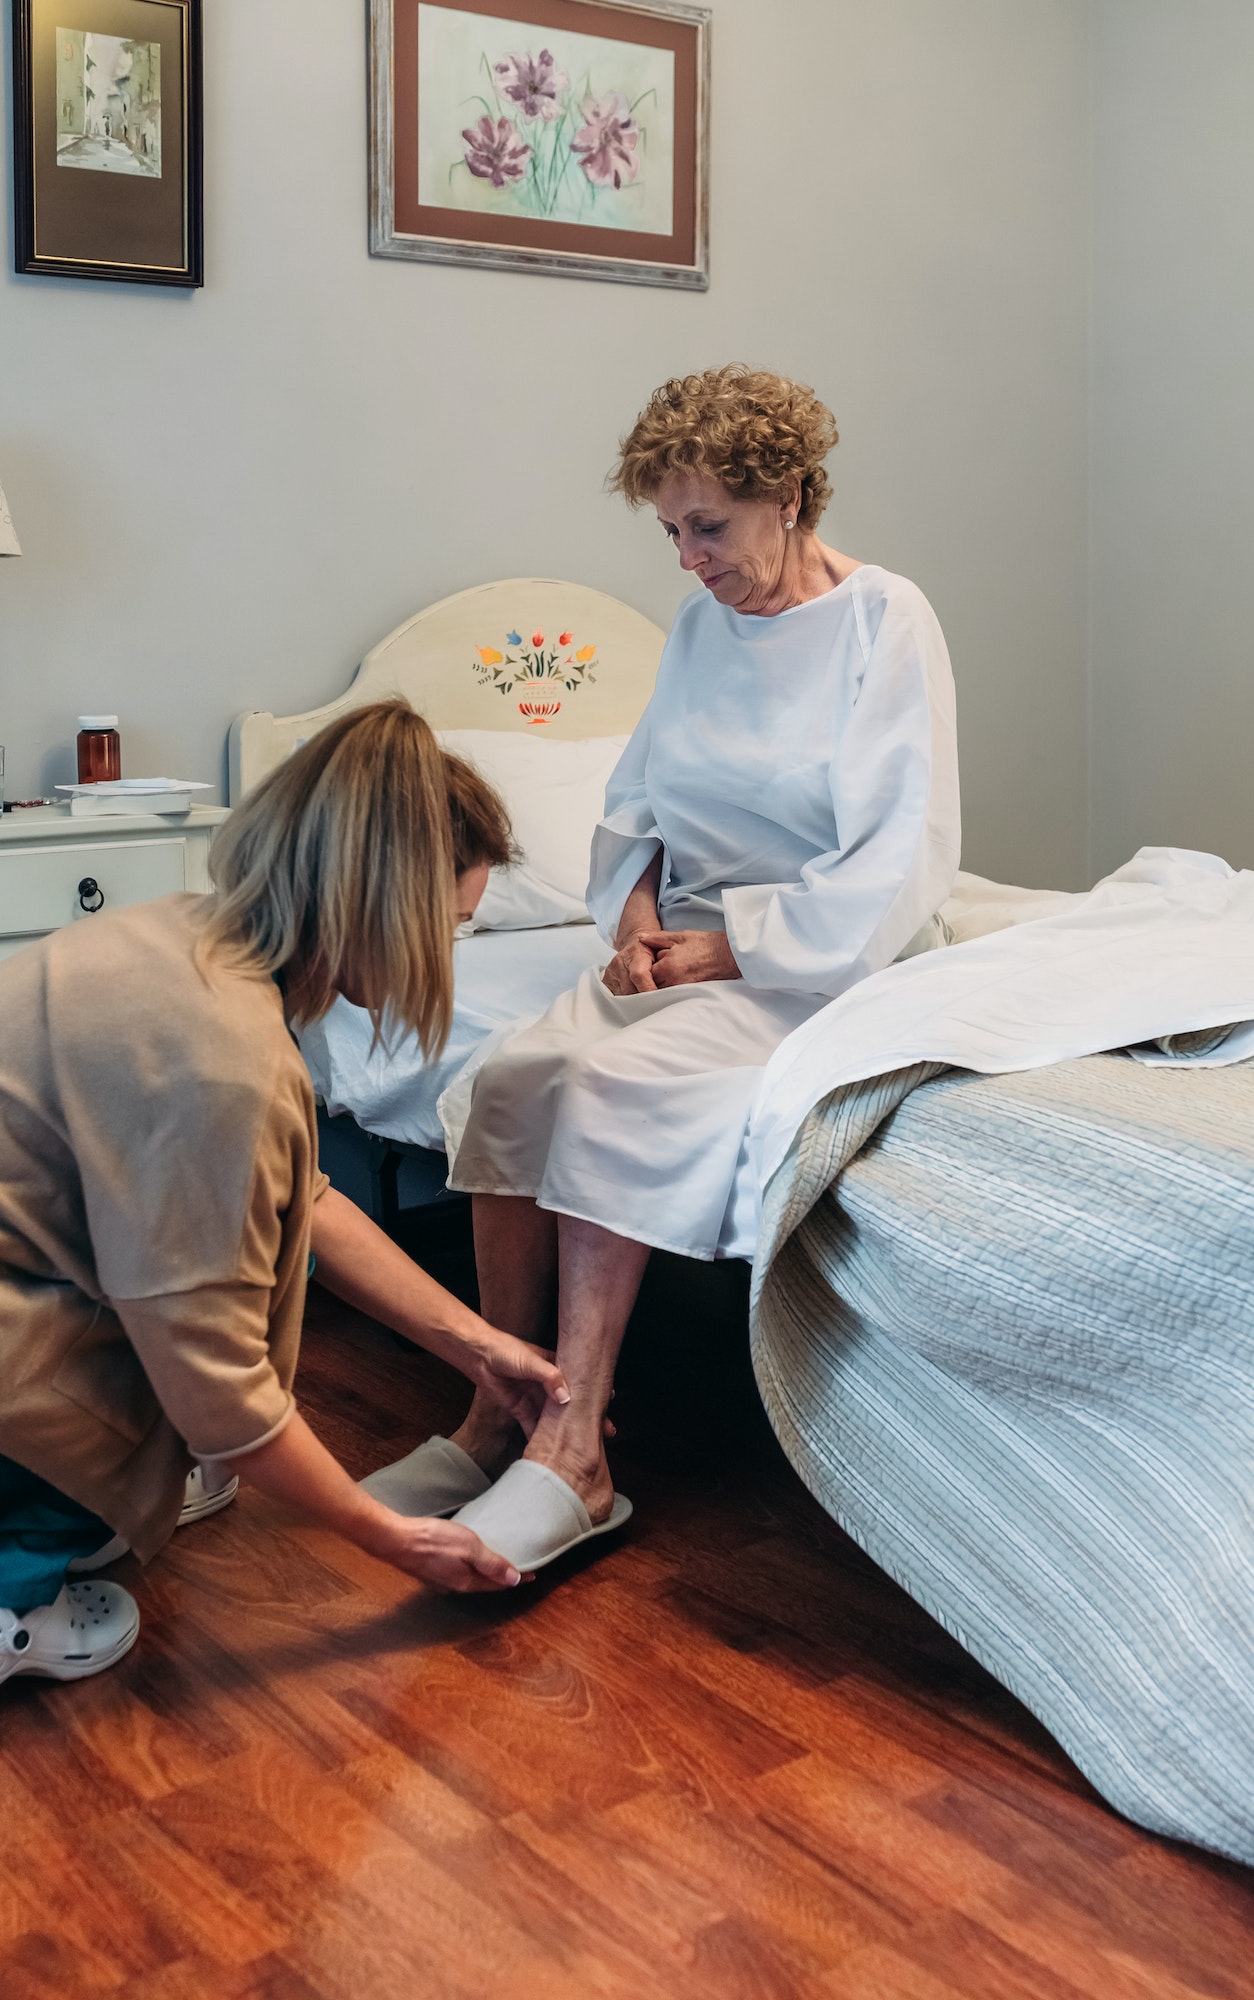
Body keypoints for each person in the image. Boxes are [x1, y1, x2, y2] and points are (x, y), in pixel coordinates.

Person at [366, 365, 962, 1572]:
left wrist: (729, 944)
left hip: (809, 959)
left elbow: (902, 850)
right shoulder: (700, 623)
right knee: (506, 1079)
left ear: (787, 494)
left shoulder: (883, 618)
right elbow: (639, 797)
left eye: (709, 526)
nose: (687, 557)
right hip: (676, 941)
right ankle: (501, 1409)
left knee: (612, 1091)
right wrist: (633, 914)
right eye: (670, 529)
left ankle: (577, 1450)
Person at [0, 703, 569, 1696]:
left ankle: (54, 1509)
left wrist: (480, 1348)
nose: (447, 948)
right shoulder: (225, 1064)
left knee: (225, 1273)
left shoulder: (185, 938)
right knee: (155, 1355)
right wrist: (392, 1539)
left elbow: (296, 1193)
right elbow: (217, 1387)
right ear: (385, 899)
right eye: (450, 921)